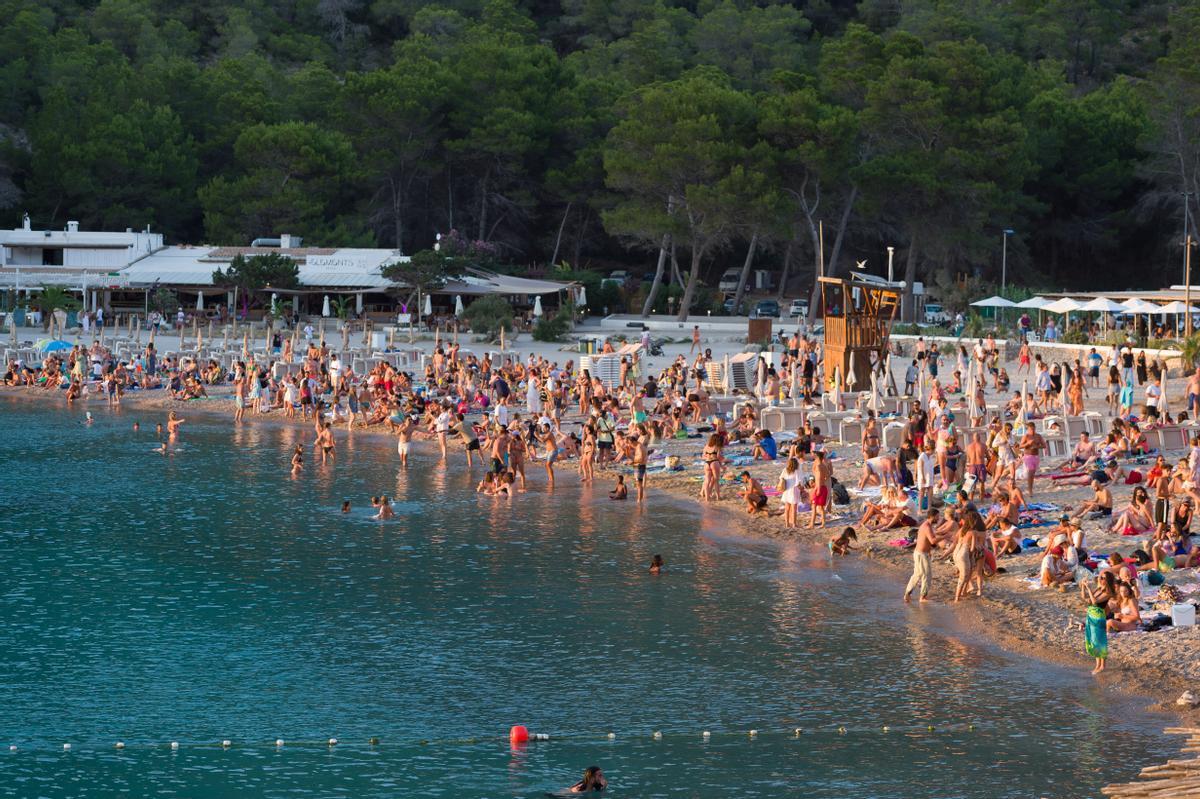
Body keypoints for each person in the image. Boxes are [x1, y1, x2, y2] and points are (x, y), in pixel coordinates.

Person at [904, 508, 940, 603]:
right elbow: (932, 540)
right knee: (926, 575)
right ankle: (923, 597)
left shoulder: (926, 525)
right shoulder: (927, 526)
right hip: (921, 555)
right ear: (932, 516)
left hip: (921, 554)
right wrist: (944, 537)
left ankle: (907, 594)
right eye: (937, 516)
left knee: (917, 575)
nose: (938, 518)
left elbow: (929, 541)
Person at [778, 457, 804, 529]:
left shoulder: (785, 470)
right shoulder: (796, 471)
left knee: (787, 509)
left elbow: (781, 478)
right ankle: (794, 524)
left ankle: (787, 524)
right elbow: (798, 483)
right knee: (794, 509)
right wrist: (802, 489)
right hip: (794, 491)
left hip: (786, 490)